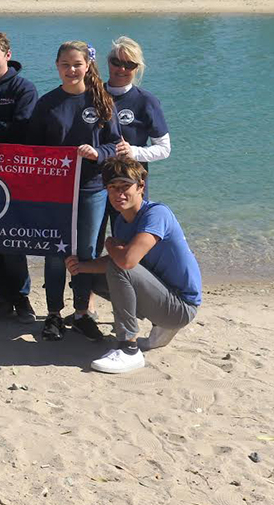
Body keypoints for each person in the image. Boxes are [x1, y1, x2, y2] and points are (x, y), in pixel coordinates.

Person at [26, 41, 124, 343]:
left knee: (86, 254)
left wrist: (97, 152)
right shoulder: (47, 104)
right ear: (56, 66)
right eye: (65, 64)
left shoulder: (102, 100)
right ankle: (54, 313)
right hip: (55, 193)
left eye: (77, 64)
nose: (71, 70)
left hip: (92, 190)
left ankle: (81, 312)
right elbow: (34, 149)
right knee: (55, 254)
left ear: (87, 66)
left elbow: (116, 145)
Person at [66, 156, 201, 374]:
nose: (119, 194)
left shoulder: (157, 214)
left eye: (125, 186)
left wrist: (109, 243)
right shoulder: (122, 220)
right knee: (96, 277)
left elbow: (126, 262)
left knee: (120, 268)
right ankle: (161, 326)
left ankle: (129, 348)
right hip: (162, 295)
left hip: (181, 307)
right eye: (112, 188)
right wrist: (81, 267)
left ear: (140, 187)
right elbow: (119, 262)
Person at [0, 31, 38, 324]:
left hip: (15, 174)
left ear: (7, 55)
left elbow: (23, 130)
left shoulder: (25, 89)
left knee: (13, 239)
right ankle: (1, 296)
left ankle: (21, 297)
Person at [99, 36, 170, 245]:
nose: (121, 69)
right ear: (108, 62)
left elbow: (164, 149)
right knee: (89, 244)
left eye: (129, 64)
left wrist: (134, 152)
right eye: (116, 62)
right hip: (94, 183)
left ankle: (129, 278)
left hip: (130, 184)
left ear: (137, 68)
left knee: (126, 242)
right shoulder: (93, 95)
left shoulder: (146, 101)